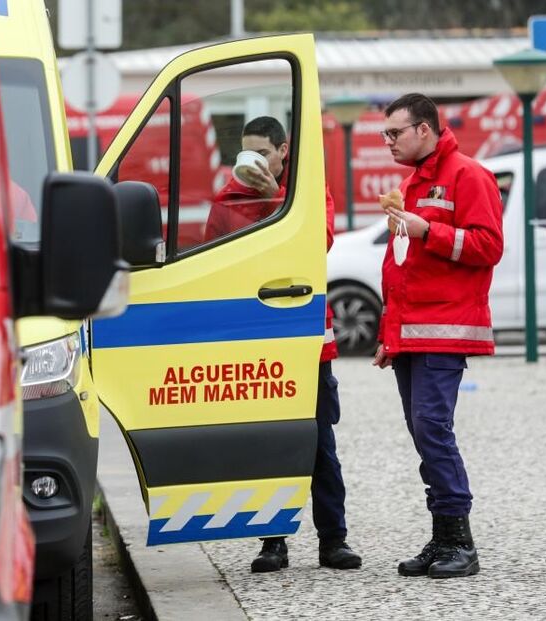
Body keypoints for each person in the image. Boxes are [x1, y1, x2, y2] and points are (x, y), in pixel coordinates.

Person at [207, 116, 362, 573]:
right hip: (255, 339)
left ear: (283, 151)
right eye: (247, 153)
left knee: (319, 444)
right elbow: (216, 256)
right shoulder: (229, 197)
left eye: (264, 152)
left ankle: (333, 540)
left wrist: (272, 195)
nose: (255, 161)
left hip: (309, 340)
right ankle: (272, 542)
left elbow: (318, 241)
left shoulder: (307, 189)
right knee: (267, 446)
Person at [373, 93, 503, 579]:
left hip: (447, 330)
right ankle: (443, 535)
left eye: (395, 133)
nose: (387, 141)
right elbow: (401, 270)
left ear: (424, 129)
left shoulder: (469, 175)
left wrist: (431, 231)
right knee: (423, 433)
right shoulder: (411, 183)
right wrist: (391, 335)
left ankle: (460, 543)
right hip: (415, 334)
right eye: (384, 134)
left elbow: (490, 246)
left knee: (432, 429)